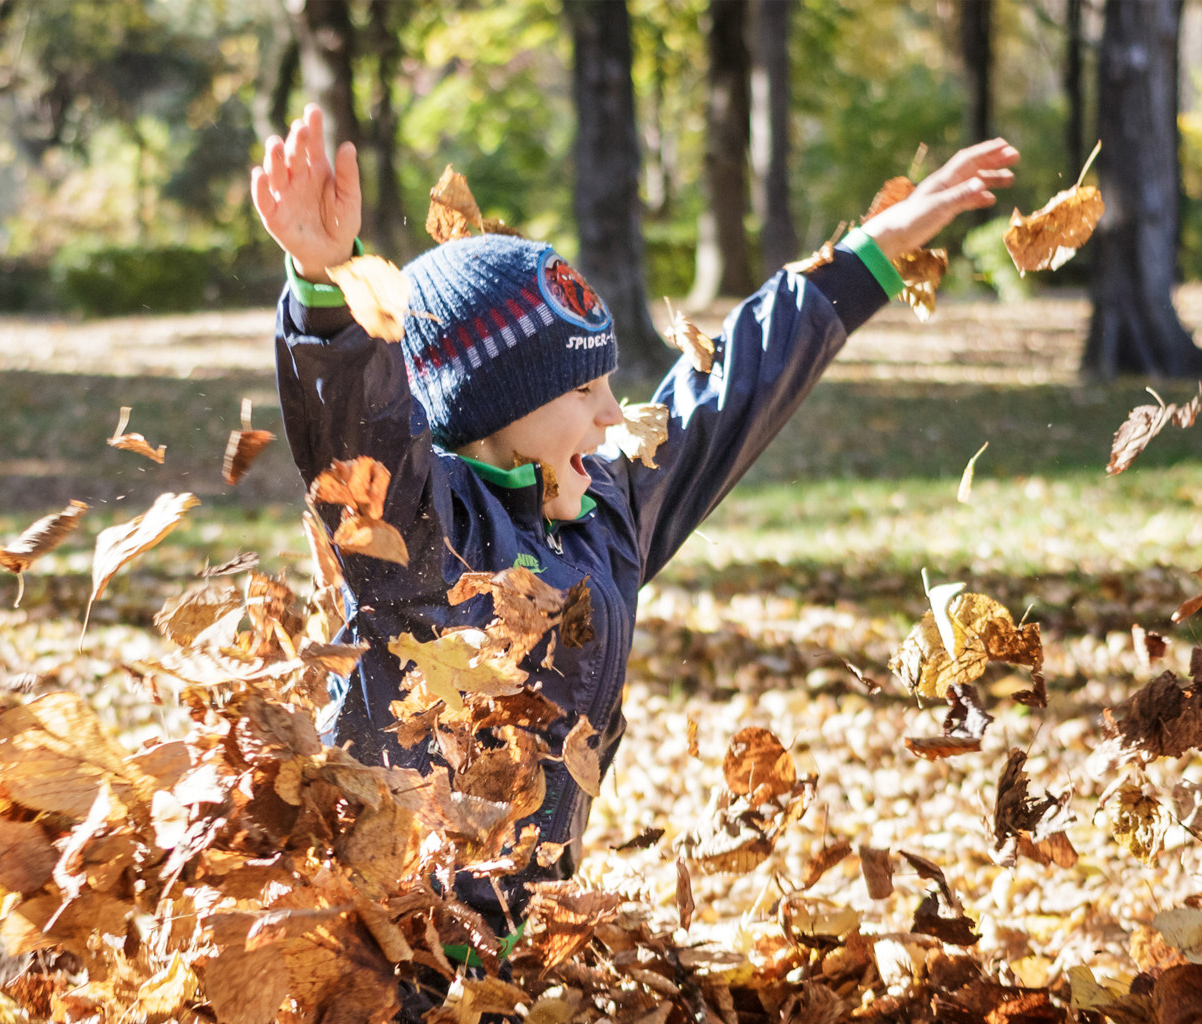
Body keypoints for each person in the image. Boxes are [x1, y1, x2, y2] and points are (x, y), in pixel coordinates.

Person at [253, 103, 1017, 936]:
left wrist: (883, 241)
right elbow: (357, 429)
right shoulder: (420, 533)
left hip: (517, 937)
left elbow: (734, 387)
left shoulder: (603, 511)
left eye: (609, 385)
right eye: (583, 391)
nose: (615, 415)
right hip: (379, 942)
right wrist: (328, 289)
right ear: (492, 411)